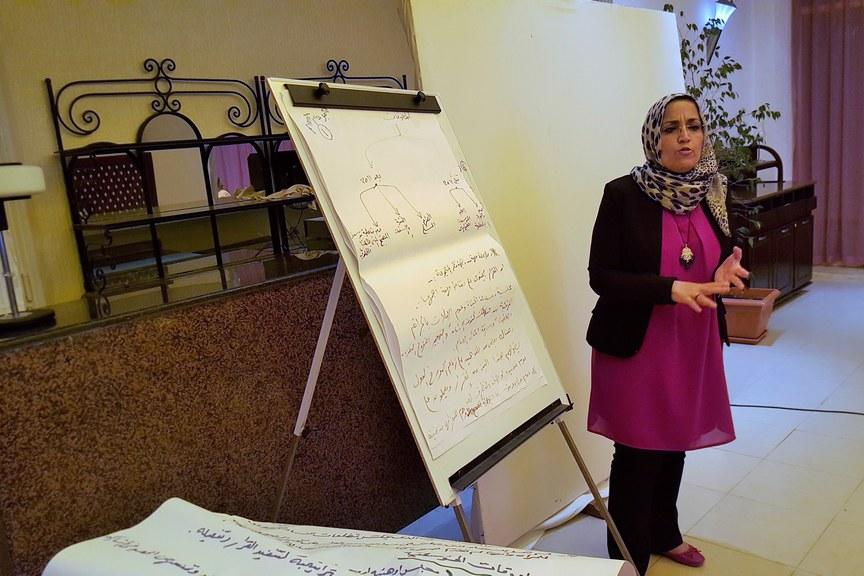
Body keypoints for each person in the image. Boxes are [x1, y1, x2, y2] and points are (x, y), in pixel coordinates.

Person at [586, 93, 749, 575]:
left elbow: (722, 252)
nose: (685, 137)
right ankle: (628, 561)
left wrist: (726, 267)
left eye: (693, 126)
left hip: (692, 342)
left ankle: (664, 532)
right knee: (638, 454)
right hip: (638, 345)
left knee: (675, 441)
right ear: (653, 138)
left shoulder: (711, 190)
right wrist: (669, 288)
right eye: (672, 128)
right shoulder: (623, 195)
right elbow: (601, 276)